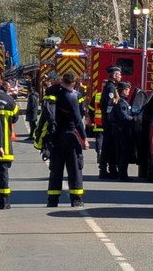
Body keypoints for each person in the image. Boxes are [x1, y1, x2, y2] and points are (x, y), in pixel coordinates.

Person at [45, 71, 89, 208]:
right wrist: (84, 138)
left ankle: (53, 200)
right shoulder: (73, 96)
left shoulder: (53, 93)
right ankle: (76, 199)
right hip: (71, 136)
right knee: (75, 168)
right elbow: (78, 119)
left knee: (56, 169)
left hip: (56, 136)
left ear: (61, 80)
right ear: (74, 83)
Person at [0, 70, 18, 209]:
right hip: (4, 144)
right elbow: (15, 118)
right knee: (3, 174)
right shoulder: (9, 100)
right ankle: (4, 202)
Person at [98, 66, 121, 179]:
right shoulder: (111, 88)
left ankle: (111, 169)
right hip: (109, 122)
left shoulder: (110, 86)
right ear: (114, 75)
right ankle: (104, 170)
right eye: (119, 74)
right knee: (108, 146)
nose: (120, 76)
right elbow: (109, 105)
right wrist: (111, 119)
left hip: (108, 121)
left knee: (110, 146)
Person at [113, 81, 134, 182]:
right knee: (123, 154)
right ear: (124, 91)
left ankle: (122, 174)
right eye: (128, 90)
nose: (129, 92)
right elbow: (124, 117)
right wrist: (134, 119)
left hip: (121, 131)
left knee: (123, 153)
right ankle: (122, 175)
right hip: (122, 131)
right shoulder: (122, 102)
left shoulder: (123, 101)